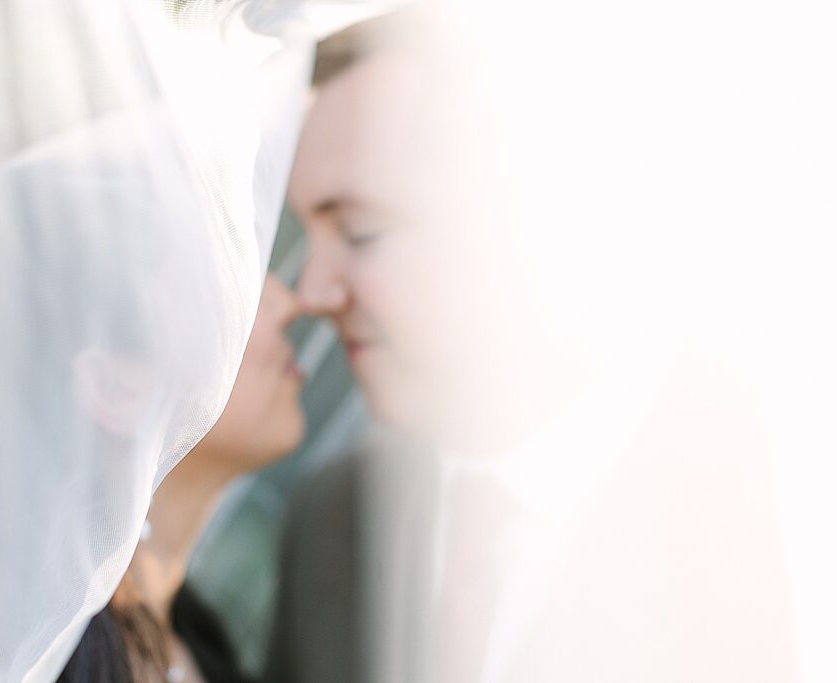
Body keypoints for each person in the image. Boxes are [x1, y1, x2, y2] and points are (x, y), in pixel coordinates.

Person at [268, 3, 799, 682]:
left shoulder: (767, 510)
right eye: (306, 232)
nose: (312, 290)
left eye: (361, 232)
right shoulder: (332, 517)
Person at [60, 275, 305, 683]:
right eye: (233, 280)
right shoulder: (27, 648)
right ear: (115, 389)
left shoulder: (207, 645)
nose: (289, 303)